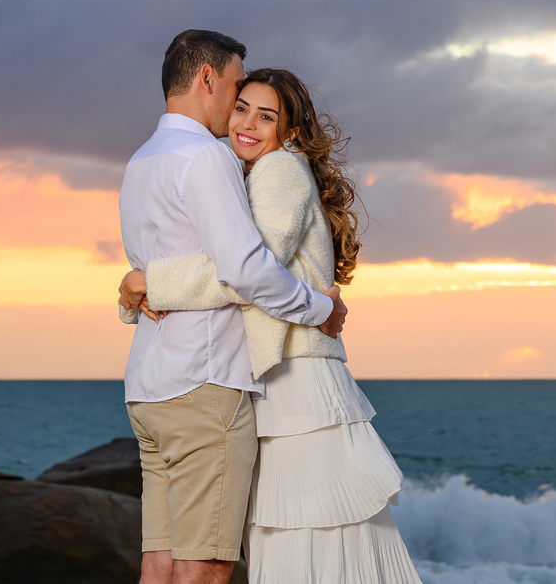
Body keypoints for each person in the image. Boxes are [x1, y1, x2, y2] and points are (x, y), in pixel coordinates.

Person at [119, 67, 422, 583]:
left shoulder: (280, 170)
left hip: (297, 382)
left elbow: (250, 272)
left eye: (267, 117)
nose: (249, 125)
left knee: (307, 539)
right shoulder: (252, 173)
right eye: (242, 109)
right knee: (294, 541)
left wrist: (148, 282)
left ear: (290, 131)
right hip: (279, 379)